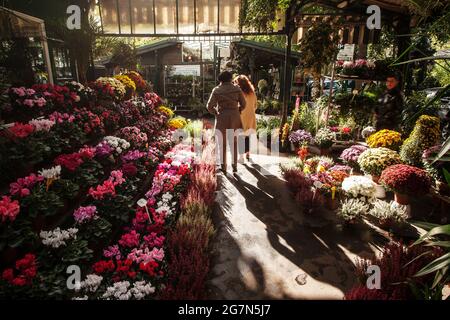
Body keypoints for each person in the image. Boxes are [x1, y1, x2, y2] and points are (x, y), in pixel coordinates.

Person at [207, 71, 246, 173]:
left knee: (222, 143)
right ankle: (234, 166)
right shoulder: (237, 89)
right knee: (234, 142)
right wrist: (239, 110)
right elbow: (244, 104)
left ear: (220, 80)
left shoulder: (216, 90)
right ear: (230, 79)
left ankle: (224, 167)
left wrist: (216, 112)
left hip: (222, 117)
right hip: (235, 117)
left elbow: (209, 106)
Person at [234, 75, 257, 162]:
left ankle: (241, 157)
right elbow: (255, 105)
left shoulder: (239, 93)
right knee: (249, 135)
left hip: (241, 116)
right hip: (251, 117)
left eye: (236, 83)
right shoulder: (252, 93)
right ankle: (248, 154)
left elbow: (237, 105)